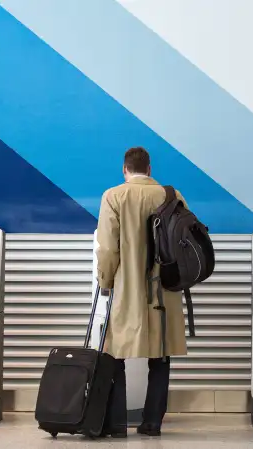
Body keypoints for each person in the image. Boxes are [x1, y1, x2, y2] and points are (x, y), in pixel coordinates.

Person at [96, 147, 189, 438]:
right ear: (149, 169)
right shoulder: (172, 195)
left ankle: (116, 423)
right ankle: (152, 423)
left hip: (127, 288)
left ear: (125, 170)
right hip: (165, 289)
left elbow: (109, 248)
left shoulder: (113, 196)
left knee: (114, 351)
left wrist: (105, 282)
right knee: (160, 356)